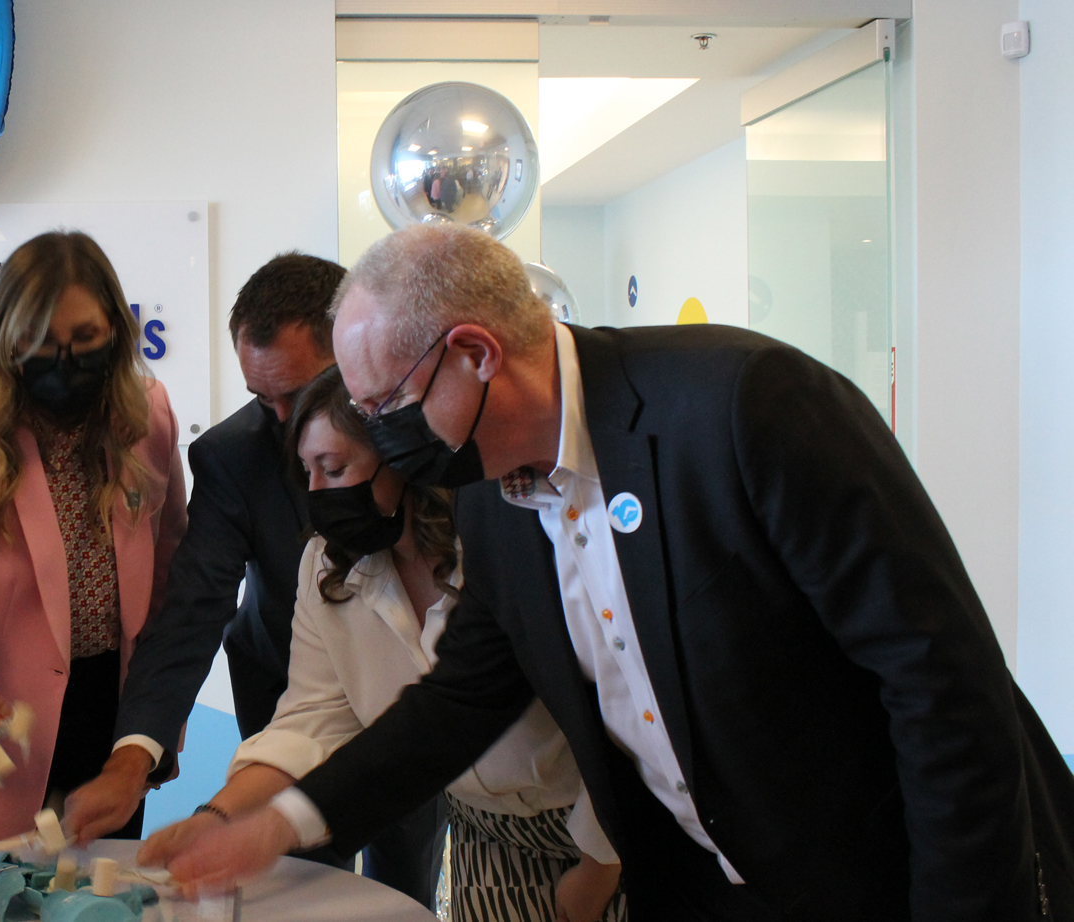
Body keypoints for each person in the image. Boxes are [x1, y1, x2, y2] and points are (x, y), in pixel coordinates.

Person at [163, 223, 1074, 921]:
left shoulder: (745, 407)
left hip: (887, 877)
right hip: (705, 886)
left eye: (387, 405)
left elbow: (941, 686)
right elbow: (457, 703)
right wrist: (283, 822)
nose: (377, 436)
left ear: (475, 353)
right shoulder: (489, 496)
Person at [140, 366, 623, 919]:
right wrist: (217, 819)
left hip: (612, 822)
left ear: (401, 459)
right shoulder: (328, 567)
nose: (317, 495)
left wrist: (598, 866)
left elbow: (617, 712)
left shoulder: (498, 544)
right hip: (484, 831)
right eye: (306, 472)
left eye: (335, 468)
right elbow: (313, 719)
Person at [0, 230, 189, 843]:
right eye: (40, 342)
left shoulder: (148, 415)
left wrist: (151, 729)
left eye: (84, 338)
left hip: (112, 718)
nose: (65, 360)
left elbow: (170, 576)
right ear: (6, 341)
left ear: (115, 328)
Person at [64, 253, 341, 844]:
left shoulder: (426, 434)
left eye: (301, 392)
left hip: (420, 686)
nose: (286, 421)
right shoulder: (233, 455)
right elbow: (191, 609)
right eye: (264, 399)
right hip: (286, 687)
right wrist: (130, 760)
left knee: (407, 864)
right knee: (306, 870)